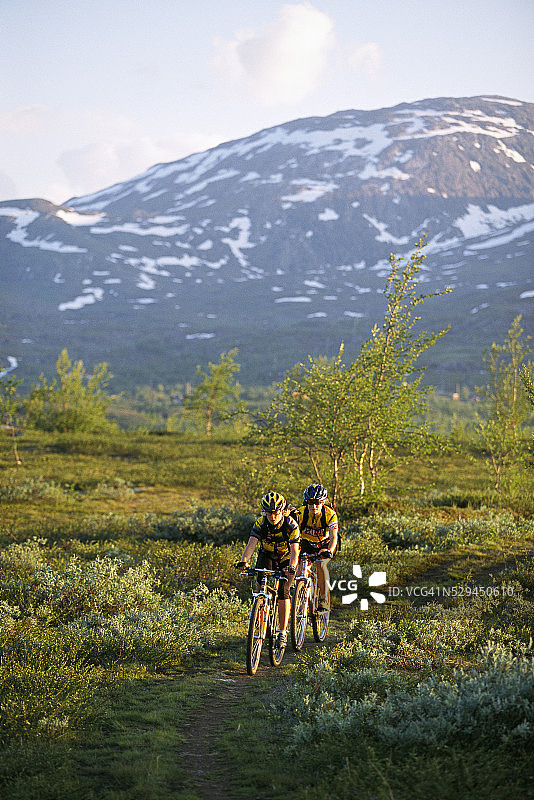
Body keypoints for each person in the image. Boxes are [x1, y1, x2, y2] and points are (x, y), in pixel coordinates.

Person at [236, 491, 299, 649]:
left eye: (276, 513)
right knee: (260, 586)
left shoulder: (291, 525)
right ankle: (261, 616)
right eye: (269, 513)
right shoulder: (260, 523)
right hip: (267, 555)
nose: (273, 517)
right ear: (264, 512)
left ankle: (283, 632)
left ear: (282, 511)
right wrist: (244, 561)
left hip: (286, 557)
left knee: (284, 591)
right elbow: (251, 544)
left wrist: (291, 567)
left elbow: (295, 551)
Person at [296, 484, 338, 611]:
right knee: (300, 569)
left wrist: (329, 551)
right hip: (306, 543)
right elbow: (294, 535)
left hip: (324, 544)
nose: (313, 506)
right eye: (310, 503)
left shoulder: (330, 514)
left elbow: (334, 537)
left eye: (317, 503)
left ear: (323, 502)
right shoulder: (300, 513)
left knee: (320, 564)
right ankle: (302, 595)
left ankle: (323, 598)